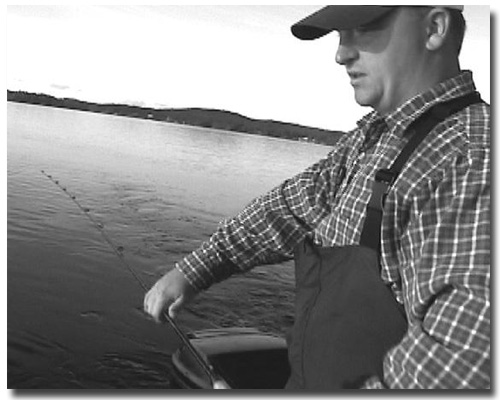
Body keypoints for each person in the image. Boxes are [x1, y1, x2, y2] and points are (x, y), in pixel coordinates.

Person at [144, 5, 490, 389]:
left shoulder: (471, 161)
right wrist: (193, 270)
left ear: (435, 28)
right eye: (340, 35)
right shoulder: (371, 138)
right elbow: (288, 210)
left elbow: (460, 366)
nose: (341, 53)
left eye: (363, 28)